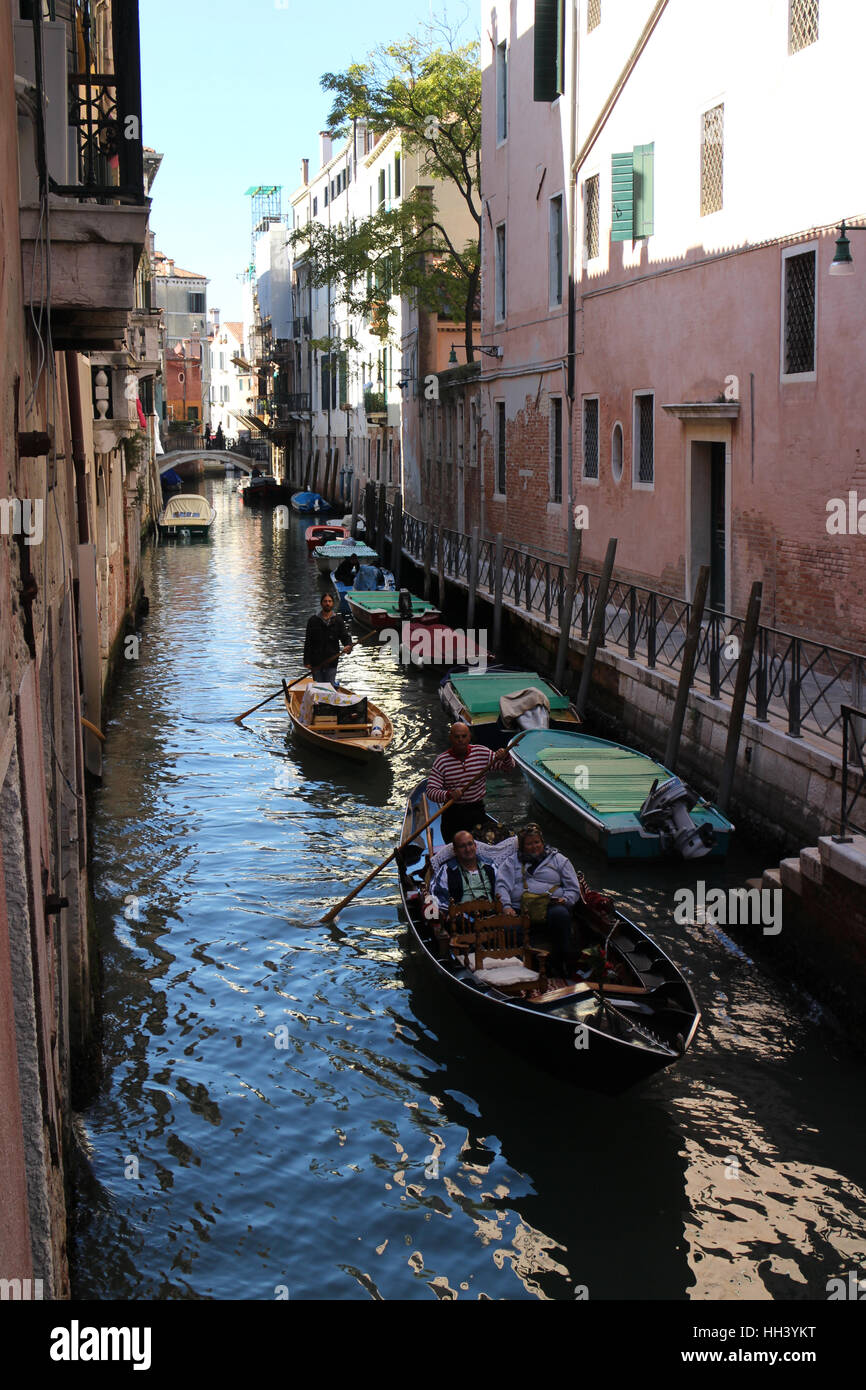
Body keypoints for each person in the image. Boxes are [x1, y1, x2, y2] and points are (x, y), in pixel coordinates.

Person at [498, 824, 583, 974]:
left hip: (551, 905)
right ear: (522, 846)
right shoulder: (511, 862)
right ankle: (526, 967)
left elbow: (573, 888)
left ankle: (561, 963)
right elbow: (502, 886)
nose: (534, 846)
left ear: (542, 842)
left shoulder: (559, 860)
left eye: (537, 842)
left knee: (561, 915)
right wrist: (506, 906)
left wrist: (566, 899)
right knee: (509, 927)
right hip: (519, 907)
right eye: (529, 843)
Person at [426, 723, 514, 844]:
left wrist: (505, 757)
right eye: (457, 737)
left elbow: (508, 768)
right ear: (451, 738)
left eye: (463, 736)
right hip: (453, 814)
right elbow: (431, 792)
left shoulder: (481, 753)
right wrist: (449, 795)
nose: (460, 740)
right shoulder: (442, 761)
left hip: (476, 811)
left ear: (469, 737)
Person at [431, 830, 500, 910]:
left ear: (475, 846)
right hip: (463, 918)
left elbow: (503, 890)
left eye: (470, 844)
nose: (467, 849)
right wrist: (452, 911)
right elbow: (435, 895)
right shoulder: (447, 870)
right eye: (462, 846)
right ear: (455, 850)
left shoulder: (490, 866)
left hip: (492, 916)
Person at [303, 592, 352, 685]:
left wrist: (348, 646)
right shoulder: (313, 621)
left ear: (332, 603)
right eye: (325, 601)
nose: (327, 603)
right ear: (321, 603)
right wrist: (307, 661)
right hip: (316, 662)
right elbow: (308, 642)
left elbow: (345, 636)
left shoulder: (338, 620)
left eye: (329, 601)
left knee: (329, 687)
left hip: (332, 660)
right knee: (318, 688)